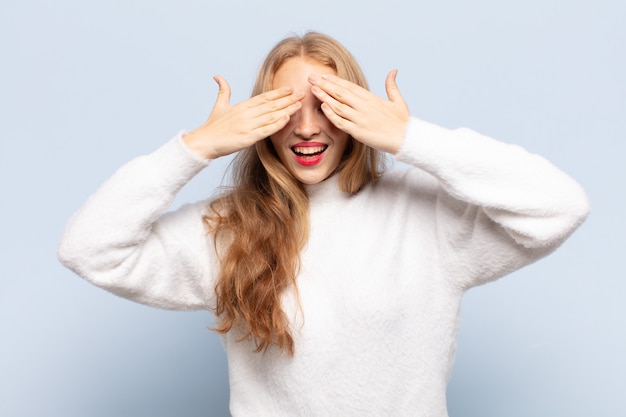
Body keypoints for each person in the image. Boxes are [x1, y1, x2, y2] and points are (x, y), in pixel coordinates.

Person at [58, 32, 589, 417]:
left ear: (358, 114)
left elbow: (559, 206)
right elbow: (87, 249)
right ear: (258, 120)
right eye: (287, 107)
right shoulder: (227, 230)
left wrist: (412, 138)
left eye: (328, 105)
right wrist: (193, 149)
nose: (308, 126)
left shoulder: (424, 217)